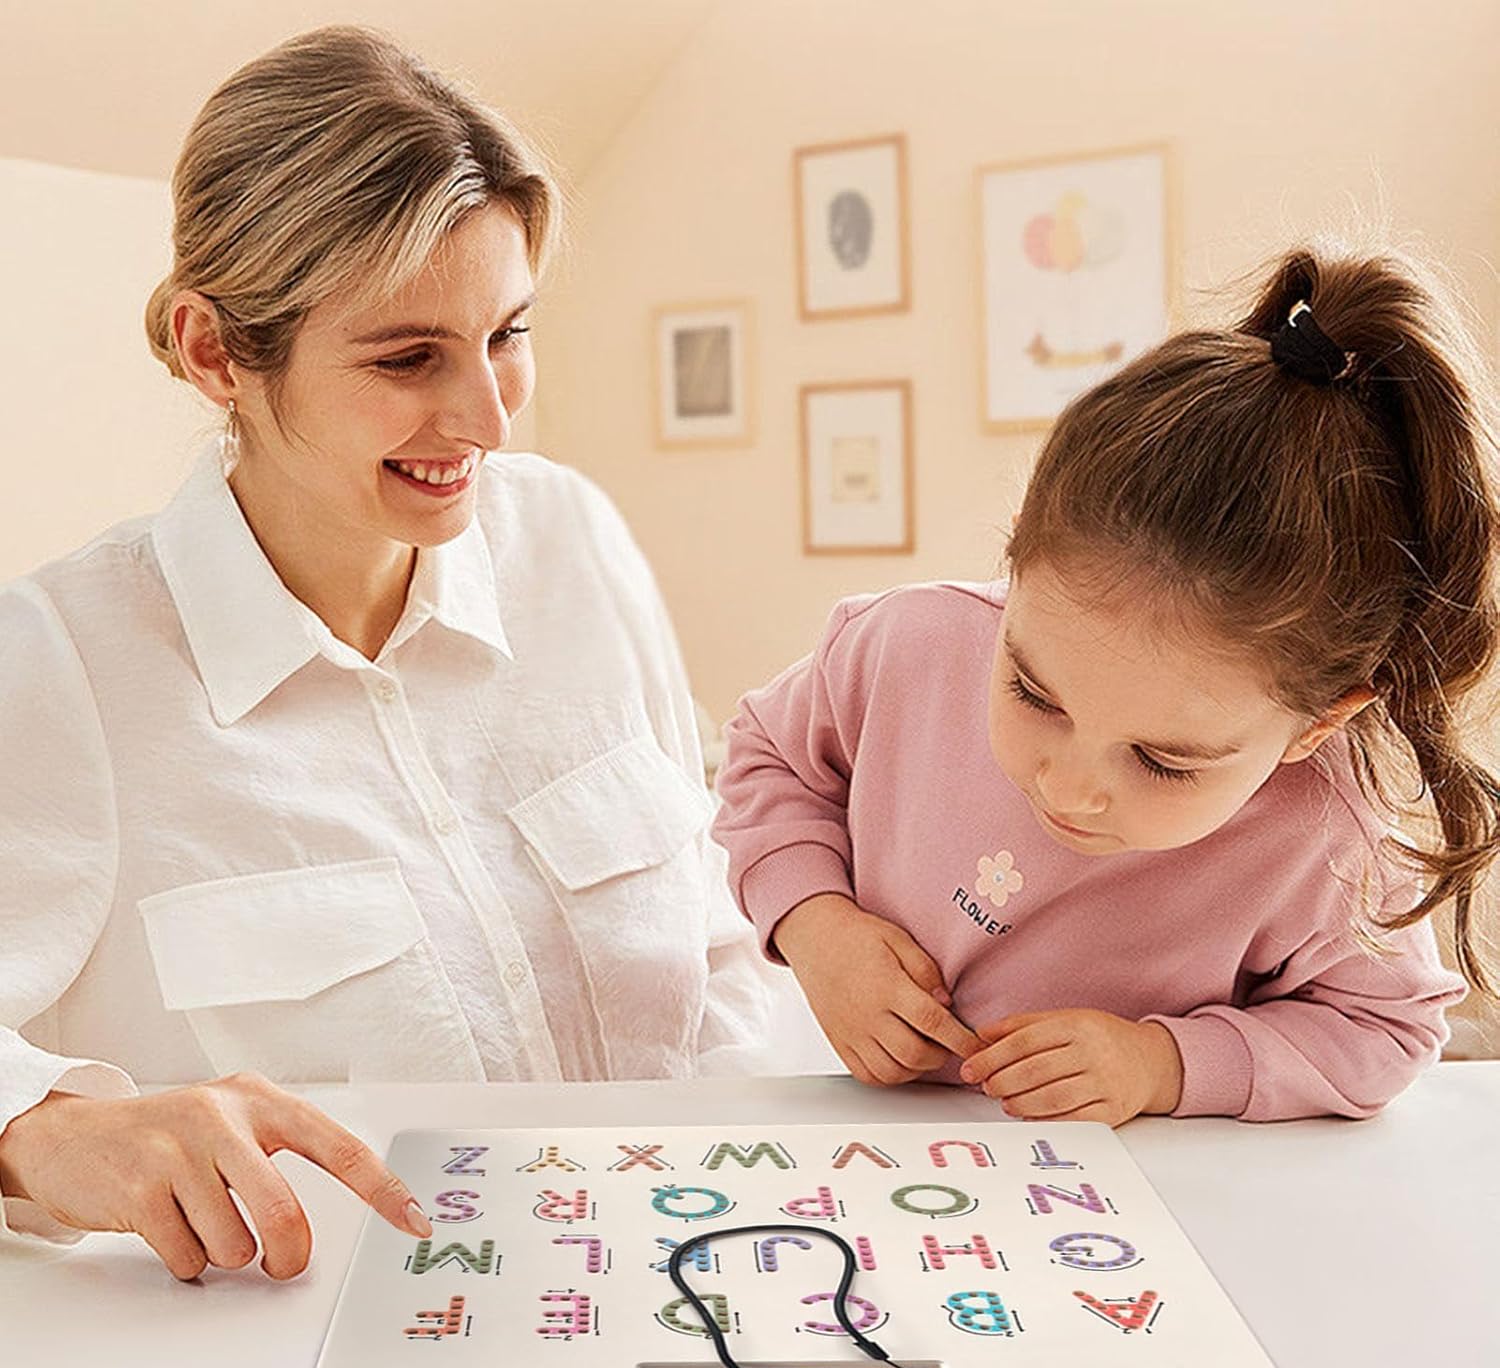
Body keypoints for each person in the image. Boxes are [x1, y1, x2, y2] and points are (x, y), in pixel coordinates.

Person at [0, 25, 782, 1279]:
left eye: (508, 335)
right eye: (409, 357)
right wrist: (39, 1134)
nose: (487, 418)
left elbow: (708, 932)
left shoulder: (570, 543)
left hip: (682, 1284)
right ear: (214, 352)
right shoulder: (60, 666)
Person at [713, 243, 1500, 1126]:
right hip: (853, 1135)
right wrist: (815, 923)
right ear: (1017, 555)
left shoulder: (1330, 836)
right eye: (1033, 694)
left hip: (1130, 1190)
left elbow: (1385, 1029)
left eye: (1163, 761)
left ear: (1319, 725)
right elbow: (770, 758)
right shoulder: (905, 645)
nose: (1069, 790)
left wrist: (1165, 1065)